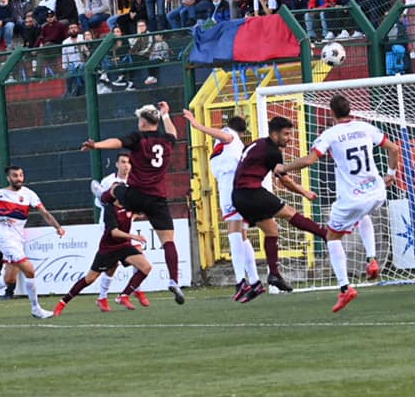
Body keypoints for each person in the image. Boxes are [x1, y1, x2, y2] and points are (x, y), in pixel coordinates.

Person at [274, 96, 400, 313]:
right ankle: (371, 259)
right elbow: (394, 149)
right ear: (350, 109)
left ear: (331, 112)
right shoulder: (365, 127)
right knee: (364, 215)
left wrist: (284, 168)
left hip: (351, 199)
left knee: (332, 237)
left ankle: (345, 288)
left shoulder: (330, 135)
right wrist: (391, 174)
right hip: (377, 191)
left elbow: (309, 161)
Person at [81, 102, 185, 304]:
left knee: (114, 188)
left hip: (136, 195)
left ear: (144, 122)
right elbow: (173, 133)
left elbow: (117, 142)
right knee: (169, 242)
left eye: (139, 120)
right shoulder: (167, 141)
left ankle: (102, 199)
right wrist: (166, 115)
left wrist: (96, 146)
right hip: (158, 200)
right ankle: (174, 280)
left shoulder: (139, 137)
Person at [231, 116, 328, 299]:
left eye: (290, 133)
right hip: (251, 192)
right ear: (274, 134)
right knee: (289, 213)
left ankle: (274, 273)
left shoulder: (257, 144)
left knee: (272, 230)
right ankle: (325, 235)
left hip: (239, 195)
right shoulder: (272, 151)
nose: (289, 138)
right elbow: (284, 179)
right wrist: (304, 192)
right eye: (285, 134)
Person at [0, 165, 66, 319]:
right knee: (30, 270)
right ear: (8, 178)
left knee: (9, 279)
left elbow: (44, 213)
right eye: (15, 175)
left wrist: (58, 227)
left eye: (21, 175)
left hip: (18, 239)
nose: (19, 178)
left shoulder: (29, 194)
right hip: (5, 239)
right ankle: (36, 308)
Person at [183, 110, 261, 301]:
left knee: (234, 232)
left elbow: (224, 136)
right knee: (241, 234)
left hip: (230, 185)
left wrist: (196, 124)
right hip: (232, 185)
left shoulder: (230, 136)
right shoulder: (235, 139)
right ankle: (256, 281)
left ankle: (241, 281)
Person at [53, 187, 153, 315]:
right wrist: (134, 236)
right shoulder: (109, 209)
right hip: (109, 249)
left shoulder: (129, 206)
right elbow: (114, 233)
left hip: (124, 246)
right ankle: (63, 302)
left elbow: (144, 209)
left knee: (146, 267)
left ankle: (124, 296)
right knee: (89, 279)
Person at [89, 151, 145, 310]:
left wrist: (135, 212)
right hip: (111, 227)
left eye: (128, 162)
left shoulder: (135, 181)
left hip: (128, 226)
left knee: (140, 257)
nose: (126, 165)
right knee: (112, 266)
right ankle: (103, 297)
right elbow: (100, 202)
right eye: (123, 162)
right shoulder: (108, 181)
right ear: (116, 164)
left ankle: (134, 291)